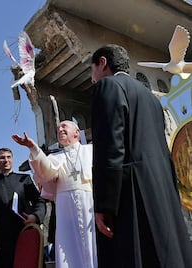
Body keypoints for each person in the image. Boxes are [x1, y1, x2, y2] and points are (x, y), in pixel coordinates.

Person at [90, 44, 192, 267]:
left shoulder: (108, 86)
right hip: (161, 187)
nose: (92, 78)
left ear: (102, 63)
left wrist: (105, 205)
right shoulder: (150, 97)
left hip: (132, 192)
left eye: (92, 70)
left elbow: (110, 148)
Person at [13, 120, 97, 268]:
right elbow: (46, 171)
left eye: (64, 126)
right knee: (67, 246)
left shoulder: (91, 151)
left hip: (89, 202)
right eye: (58, 128)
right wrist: (33, 147)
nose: (60, 129)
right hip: (65, 207)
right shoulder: (56, 157)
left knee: (93, 243)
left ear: (77, 132)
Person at [0, 147, 46, 268]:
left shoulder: (24, 179)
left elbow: (40, 201)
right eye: (2, 157)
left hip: (25, 232)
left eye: (8, 157)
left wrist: (35, 216)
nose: (6, 160)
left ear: (13, 160)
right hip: (1, 239)